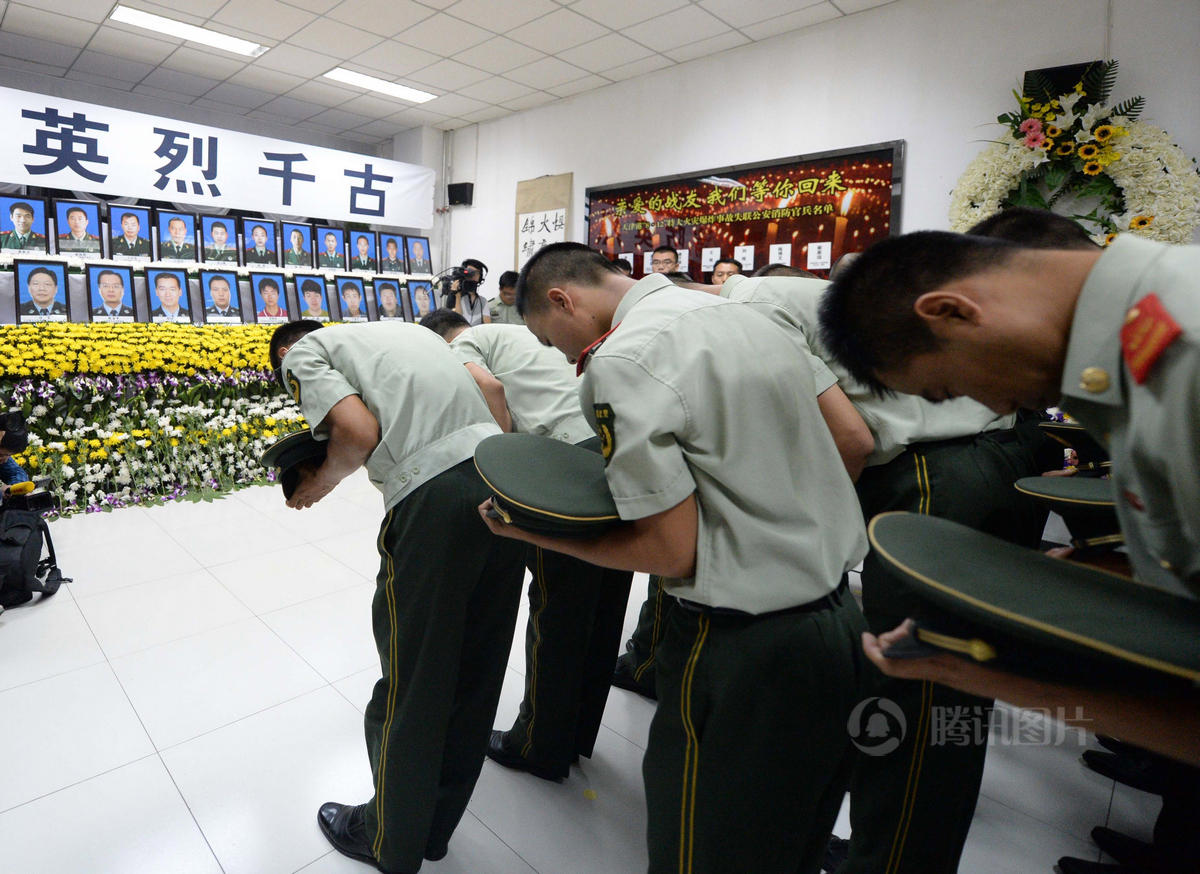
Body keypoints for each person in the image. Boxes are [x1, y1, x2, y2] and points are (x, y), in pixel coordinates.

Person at [488, 242, 871, 874]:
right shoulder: (750, 315)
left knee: (699, 845)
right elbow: (853, 439)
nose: (559, 355)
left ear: (563, 300)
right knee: (787, 837)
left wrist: (537, 535)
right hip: (837, 621)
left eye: (548, 337)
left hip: (741, 644)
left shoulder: (625, 358)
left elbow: (669, 550)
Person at [818, 226, 1200, 766]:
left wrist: (997, 676)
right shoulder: (1145, 339)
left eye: (950, 390)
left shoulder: (1186, 357)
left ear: (952, 310)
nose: (989, 402)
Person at [269, 318, 525, 874]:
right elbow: (492, 391)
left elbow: (356, 432)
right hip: (504, 486)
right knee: (476, 670)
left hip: (436, 504)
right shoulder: (413, 332)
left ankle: (389, 836)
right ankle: (433, 828)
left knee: (415, 675)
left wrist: (321, 481)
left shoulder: (303, 352)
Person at [421, 308, 634, 782]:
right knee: (603, 602)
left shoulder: (464, 343)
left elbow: (491, 391)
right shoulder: (521, 338)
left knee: (557, 608)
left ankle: (538, 744)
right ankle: (576, 735)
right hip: (614, 456)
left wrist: (502, 464)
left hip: (563, 468)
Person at [452, 258, 490, 325]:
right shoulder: (454, 295)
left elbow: (487, 326)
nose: (473, 275)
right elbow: (456, 321)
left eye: (476, 273)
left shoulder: (483, 301)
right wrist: (457, 296)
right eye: (470, 272)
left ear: (480, 278)